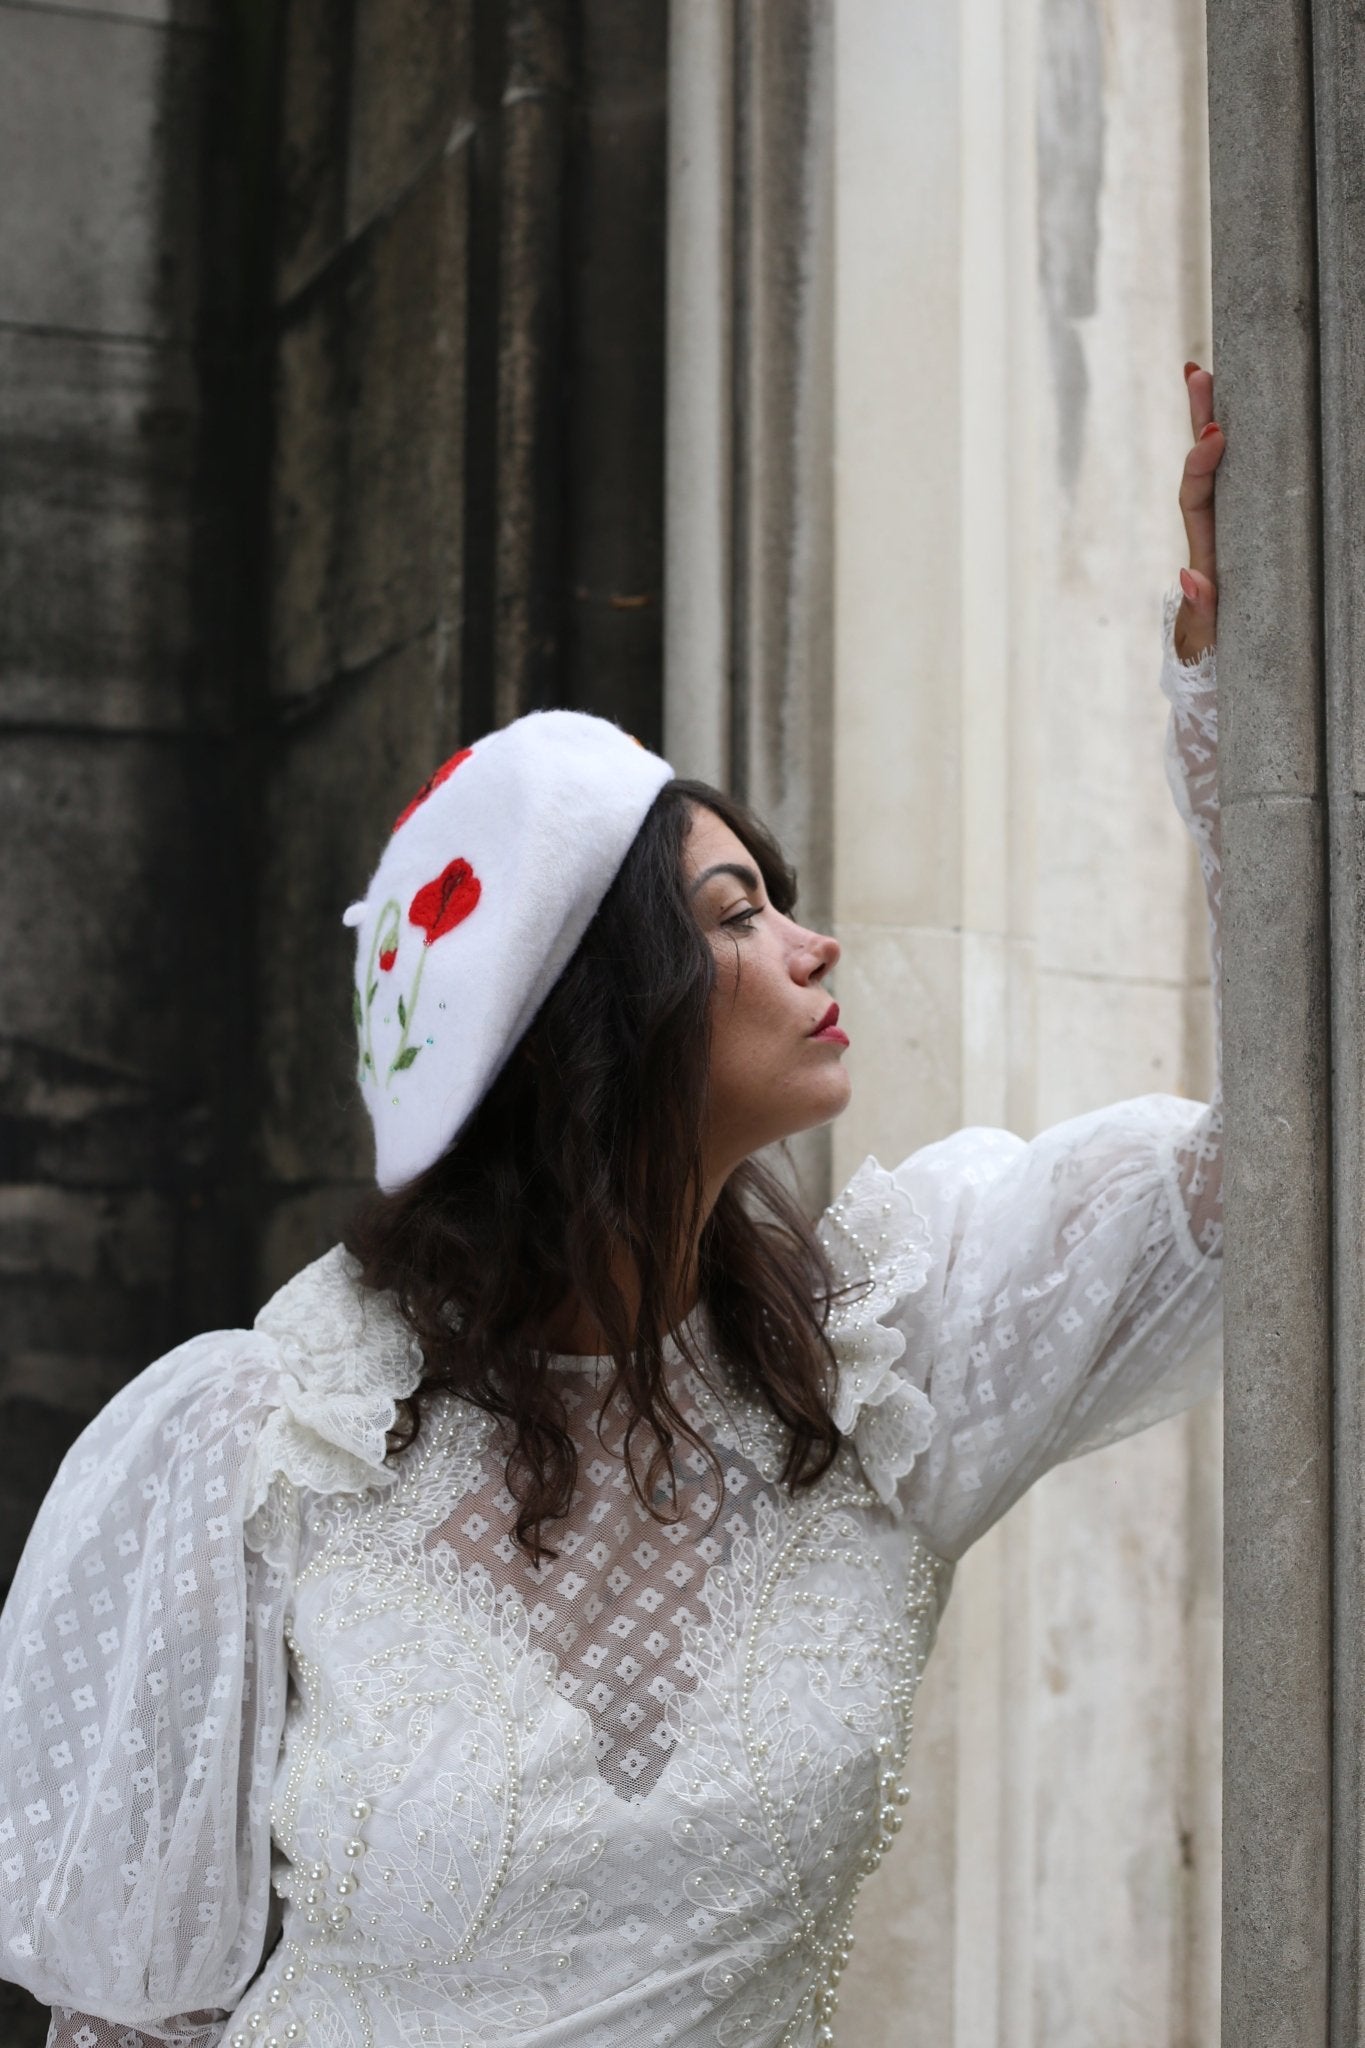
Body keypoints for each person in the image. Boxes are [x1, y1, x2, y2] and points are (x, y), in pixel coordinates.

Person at [0, 367, 1225, 2048]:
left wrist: (1239, 703)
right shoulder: (272, 1446)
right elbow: (132, 2028)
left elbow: (1270, 1176)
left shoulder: (887, 1359)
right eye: (734, 916)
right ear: (591, 1024)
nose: (811, 946)